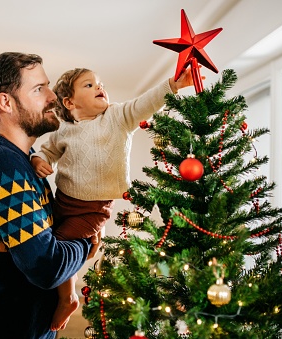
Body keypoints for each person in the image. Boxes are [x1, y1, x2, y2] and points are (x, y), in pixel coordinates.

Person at [31, 67, 195, 330]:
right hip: (63, 202)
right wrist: (39, 159)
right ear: (69, 102)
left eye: (100, 83)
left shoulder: (116, 117)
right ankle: (59, 287)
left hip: (93, 209)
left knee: (60, 247)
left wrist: (173, 85)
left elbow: (145, 103)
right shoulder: (64, 131)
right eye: (89, 85)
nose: (99, 87)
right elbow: (48, 150)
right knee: (49, 237)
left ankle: (68, 298)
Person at [0, 52, 100, 339]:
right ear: (6, 102)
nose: (53, 96)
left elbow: (49, 234)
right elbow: (47, 266)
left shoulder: (25, 158)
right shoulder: (0, 164)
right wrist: (86, 237)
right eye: (39, 89)